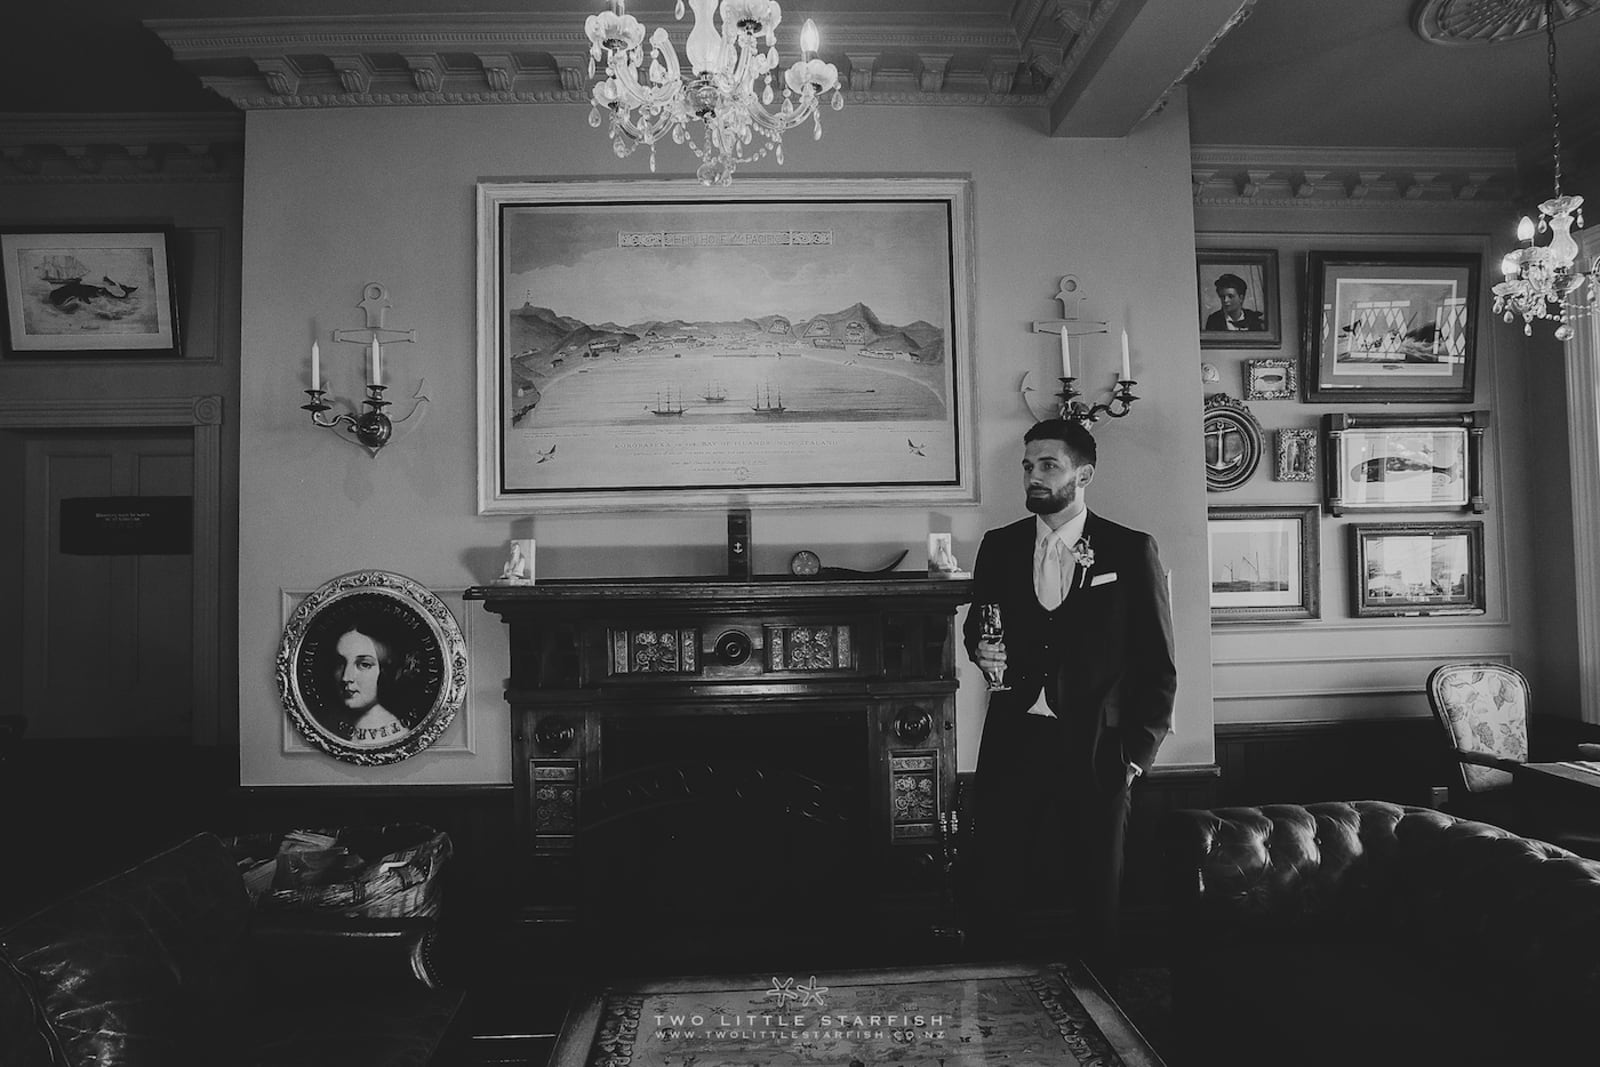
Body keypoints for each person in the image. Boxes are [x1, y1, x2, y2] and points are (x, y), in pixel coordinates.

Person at [963, 417, 1177, 986]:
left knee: (1097, 899)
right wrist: (979, 649)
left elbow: (1158, 663)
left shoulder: (1130, 549)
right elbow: (980, 626)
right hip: (1014, 742)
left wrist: (1135, 756)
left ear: (1083, 475)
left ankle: (1101, 1012)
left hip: (1099, 748)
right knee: (995, 888)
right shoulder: (1000, 546)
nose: (1033, 476)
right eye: (1027, 466)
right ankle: (990, 1010)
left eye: (1047, 465)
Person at [326, 623, 411, 746]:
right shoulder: (330, 726)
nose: (346, 678)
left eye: (364, 664)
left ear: (386, 671)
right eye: (340, 663)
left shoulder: (398, 736)